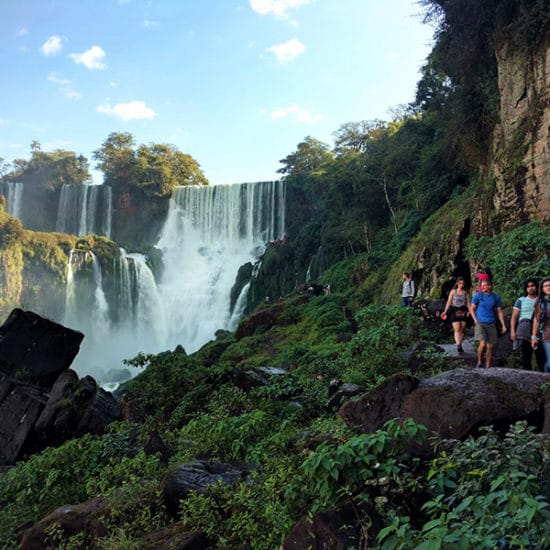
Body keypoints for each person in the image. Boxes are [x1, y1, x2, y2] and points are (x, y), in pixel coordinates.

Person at [470, 279, 507, 368]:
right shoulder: (478, 296)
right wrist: (475, 319)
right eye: (482, 285)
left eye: (484, 285)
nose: (482, 287)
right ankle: (479, 361)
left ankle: (488, 366)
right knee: (482, 344)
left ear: (489, 286)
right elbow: (472, 308)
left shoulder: (495, 297)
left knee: (490, 346)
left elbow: (499, 311)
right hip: (480, 323)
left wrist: (503, 325)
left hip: (491, 323)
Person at [510, 278, 546, 370]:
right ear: (526, 289)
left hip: (539, 329)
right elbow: (514, 316)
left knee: (540, 355)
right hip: (524, 328)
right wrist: (513, 331)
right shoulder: (521, 300)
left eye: (533, 286)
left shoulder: (541, 300)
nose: (531, 288)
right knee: (526, 355)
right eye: (528, 286)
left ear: (537, 287)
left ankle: (542, 377)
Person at [442, 276, 470, 353]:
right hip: (454, 310)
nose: (462, 285)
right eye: (460, 283)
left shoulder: (465, 292)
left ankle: (460, 343)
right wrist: (445, 311)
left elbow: (468, 302)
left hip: (463, 310)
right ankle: (458, 345)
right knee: (457, 328)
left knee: (462, 328)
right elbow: (449, 301)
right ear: (457, 283)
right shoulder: (453, 291)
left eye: (463, 283)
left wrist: (469, 311)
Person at [531, 278, 550, 373]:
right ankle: (545, 380)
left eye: (549, 285)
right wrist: (533, 336)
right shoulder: (540, 303)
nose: (548, 287)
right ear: (542, 288)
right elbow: (536, 320)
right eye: (546, 286)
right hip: (546, 334)